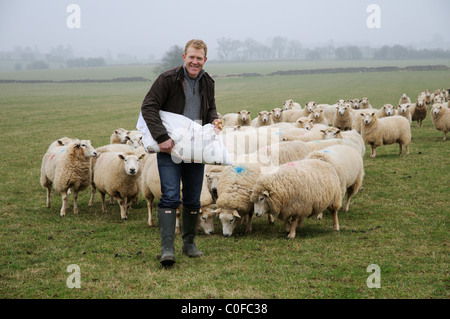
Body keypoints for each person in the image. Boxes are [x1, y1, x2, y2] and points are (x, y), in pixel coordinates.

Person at [141, 39, 222, 267]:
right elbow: (148, 106)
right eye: (191, 57)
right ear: (184, 57)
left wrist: (214, 119)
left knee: (193, 198)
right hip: (171, 147)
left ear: (205, 60)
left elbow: (210, 107)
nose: (195, 61)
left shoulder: (208, 81)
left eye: (199, 58)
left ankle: (189, 243)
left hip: (196, 148)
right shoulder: (167, 79)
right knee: (169, 195)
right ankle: (167, 249)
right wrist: (161, 138)